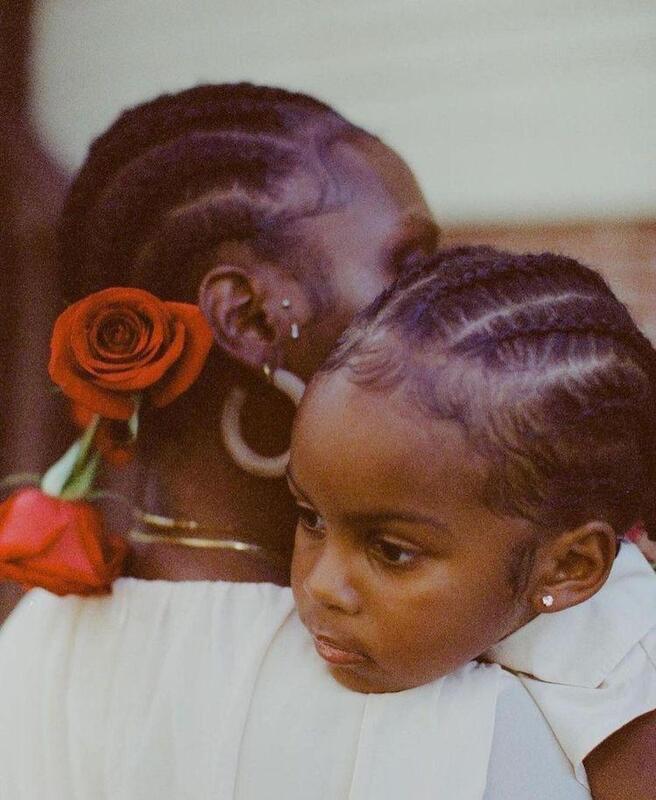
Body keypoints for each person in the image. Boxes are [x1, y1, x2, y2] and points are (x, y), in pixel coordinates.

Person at [287, 245, 656, 797]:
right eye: (311, 518)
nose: (320, 585)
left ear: (567, 568)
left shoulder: (627, 687)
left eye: (392, 551)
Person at [55, 81, 439, 583]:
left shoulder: (31, 639)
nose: (456, 298)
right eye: (411, 265)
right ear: (250, 320)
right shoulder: (384, 658)